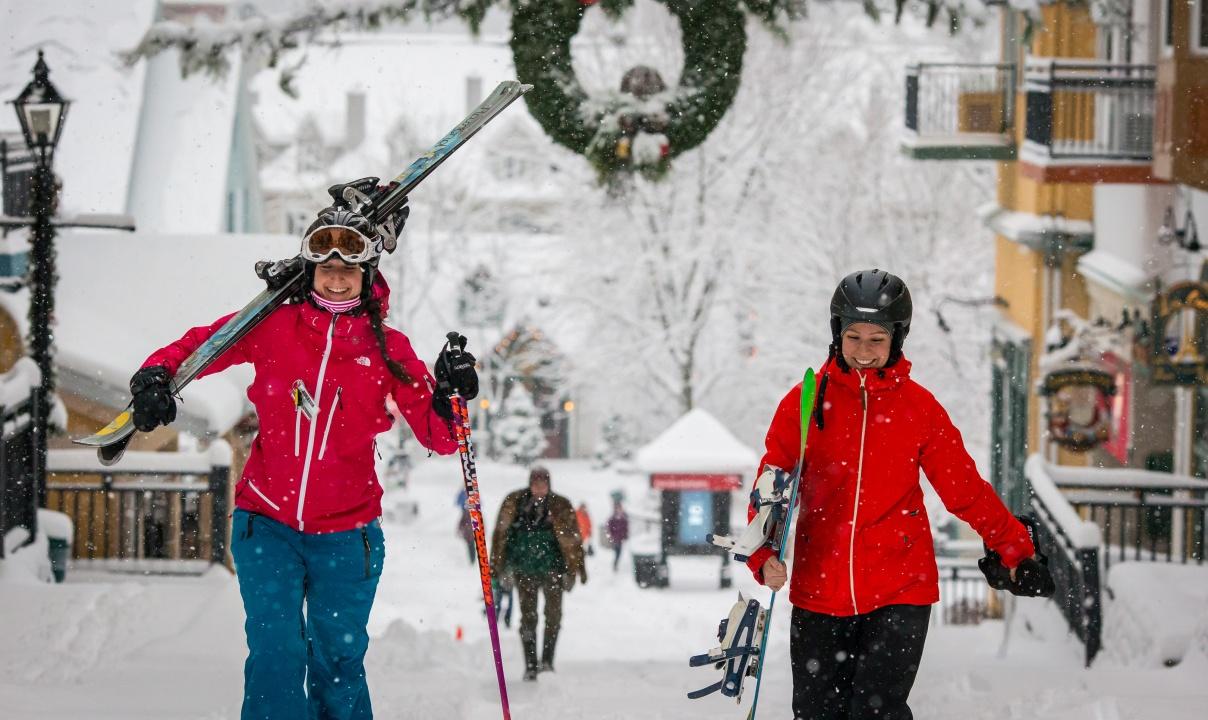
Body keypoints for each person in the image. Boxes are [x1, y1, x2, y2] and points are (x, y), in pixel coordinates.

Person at [128, 200, 479, 720]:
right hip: (266, 523)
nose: (337, 279)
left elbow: (442, 437)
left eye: (348, 269)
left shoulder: (388, 349)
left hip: (347, 533)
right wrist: (156, 375)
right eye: (326, 267)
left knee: (338, 661)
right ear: (311, 269)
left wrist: (452, 393)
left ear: (367, 273)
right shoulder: (274, 325)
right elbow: (201, 345)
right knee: (276, 658)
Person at [746, 269, 1052, 720]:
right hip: (819, 589)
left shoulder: (918, 409)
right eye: (853, 337)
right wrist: (762, 554)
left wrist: (1015, 549)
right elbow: (771, 484)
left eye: (876, 340)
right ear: (837, 334)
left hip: (899, 589)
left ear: (897, 339)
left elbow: (963, 488)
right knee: (817, 713)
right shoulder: (806, 402)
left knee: (878, 712)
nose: (864, 352)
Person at [490, 466, 587, 681]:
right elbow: (501, 536)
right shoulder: (515, 503)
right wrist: (499, 568)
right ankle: (531, 665)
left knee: (553, 617)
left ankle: (547, 662)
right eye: (536, 484)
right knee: (528, 618)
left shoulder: (560, 506)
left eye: (543, 484)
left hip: (552, 570)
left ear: (549, 484)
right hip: (524, 570)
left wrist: (574, 570)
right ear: (530, 483)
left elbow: (573, 540)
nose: (539, 488)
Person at [605, 500, 629, 572]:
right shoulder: (612, 518)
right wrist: (612, 536)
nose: (619, 509)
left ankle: (616, 563)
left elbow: (626, 527)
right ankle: (615, 564)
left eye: (620, 508)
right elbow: (609, 527)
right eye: (617, 508)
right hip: (616, 538)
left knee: (619, 552)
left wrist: (625, 535)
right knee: (617, 552)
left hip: (620, 538)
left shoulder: (623, 517)